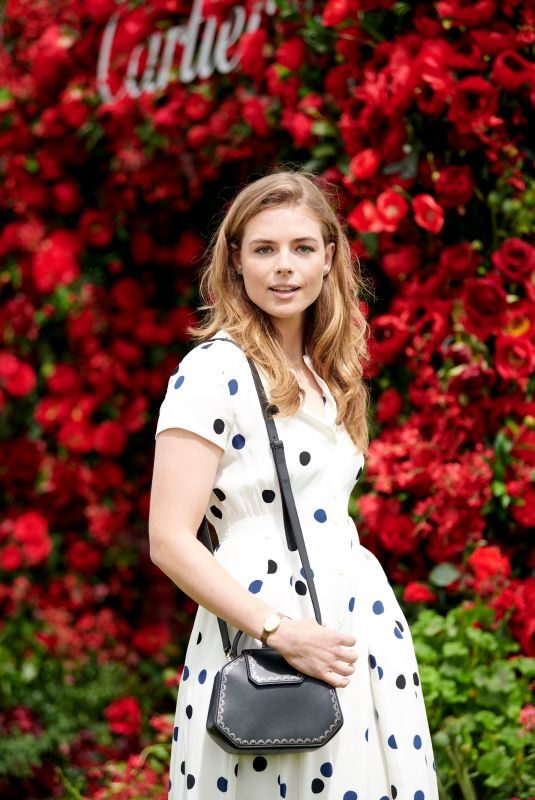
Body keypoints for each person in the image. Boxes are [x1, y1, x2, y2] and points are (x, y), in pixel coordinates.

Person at [148, 170, 439, 800]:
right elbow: (170, 540)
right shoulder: (212, 369)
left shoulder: (327, 370)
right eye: (264, 249)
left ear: (329, 257)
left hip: (351, 624)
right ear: (236, 260)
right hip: (264, 629)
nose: (285, 268)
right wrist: (279, 630)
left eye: (302, 248)